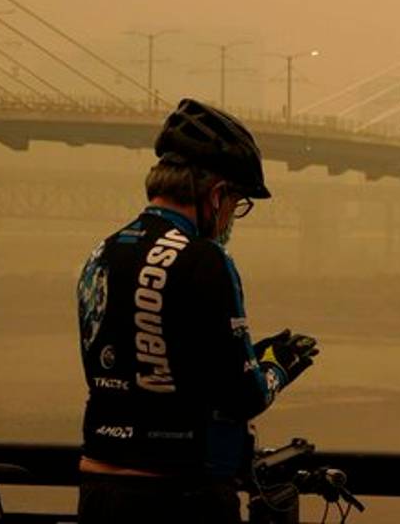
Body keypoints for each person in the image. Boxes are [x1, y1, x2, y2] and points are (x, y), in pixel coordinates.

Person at [76, 98, 319, 523]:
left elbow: (149, 366)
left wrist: (245, 358)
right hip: (179, 494)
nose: (231, 218)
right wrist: (278, 366)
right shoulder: (203, 258)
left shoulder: (103, 252)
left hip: (99, 486)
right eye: (237, 203)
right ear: (216, 194)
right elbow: (245, 396)